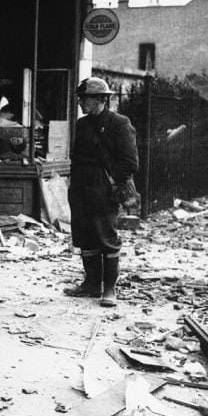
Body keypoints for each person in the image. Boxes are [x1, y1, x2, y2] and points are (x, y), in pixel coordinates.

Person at [64, 77, 138, 307]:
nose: (79, 102)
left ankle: (109, 290)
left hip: (103, 189)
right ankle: (91, 284)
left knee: (106, 237)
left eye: (83, 98)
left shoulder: (120, 123)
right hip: (80, 188)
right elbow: (77, 157)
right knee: (85, 237)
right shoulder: (82, 124)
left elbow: (130, 162)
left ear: (98, 99)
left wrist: (110, 182)